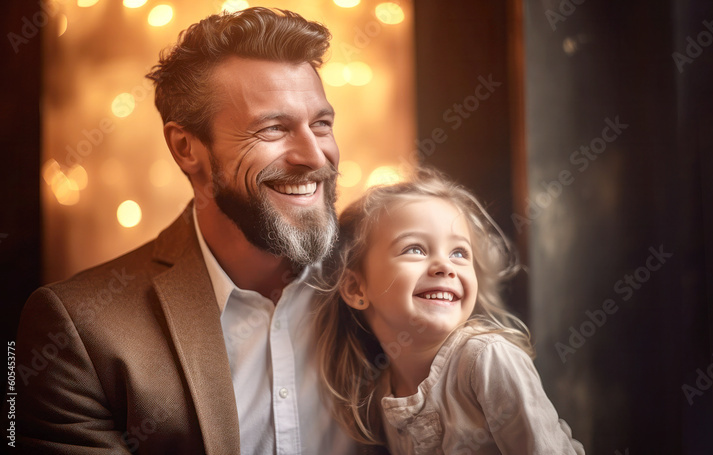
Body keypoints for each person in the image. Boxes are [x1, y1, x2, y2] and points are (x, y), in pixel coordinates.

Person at [16, 7, 368, 454]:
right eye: (274, 128)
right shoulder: (78, 331)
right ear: (186, 148)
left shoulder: (391, 280)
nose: (315, 156)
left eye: (321, 124)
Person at [314, 169, 585, 454]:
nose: (445, 266)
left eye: (459, 253)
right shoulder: (382, 390)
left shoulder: (488, 359)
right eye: (415, 249)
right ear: (357, 288)